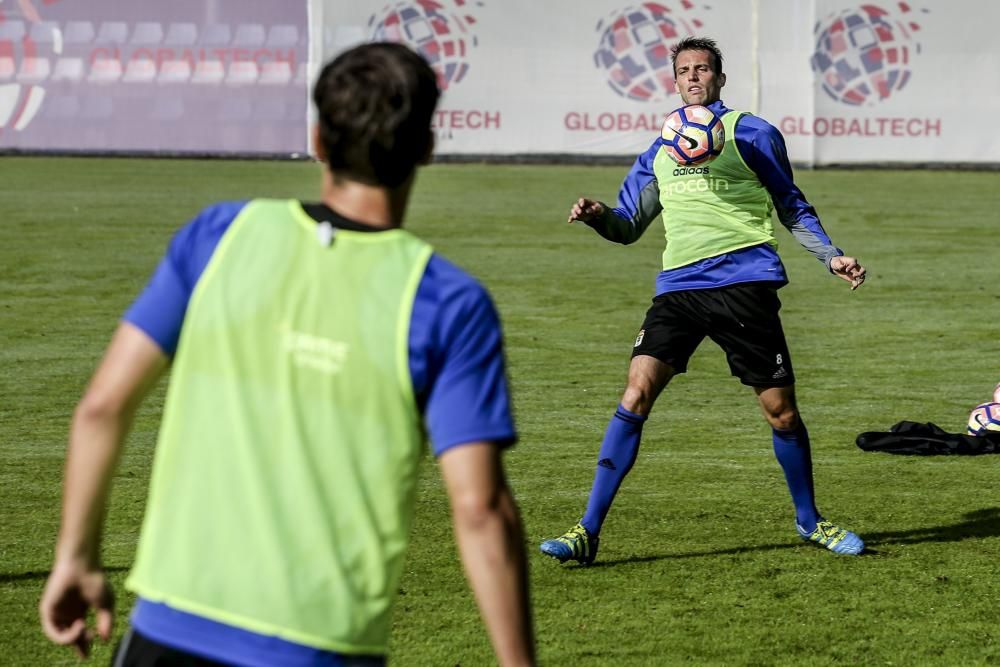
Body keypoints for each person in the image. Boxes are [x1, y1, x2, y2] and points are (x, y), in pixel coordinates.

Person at [39, 42, 535, 666]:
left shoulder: (220, 235)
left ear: (318, 140)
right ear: (427, 148)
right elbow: (481, 508)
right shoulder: (447, 302)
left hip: (167, 631)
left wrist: (76, 558)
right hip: (320, 646)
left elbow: (103, 407)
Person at [540, 36, 867, 565]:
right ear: (674, 81)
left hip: (744, 283)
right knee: (635, 394)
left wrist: (831, 256)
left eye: (704, 69)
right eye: (685, 70)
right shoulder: (659, 150)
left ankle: (810, 521)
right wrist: (599, 215)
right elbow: (627, 229)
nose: (695, 77)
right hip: (679, 290)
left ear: (720, 78)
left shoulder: (753, 133)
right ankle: (586, 531)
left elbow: (791, 205)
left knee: (780, 413)